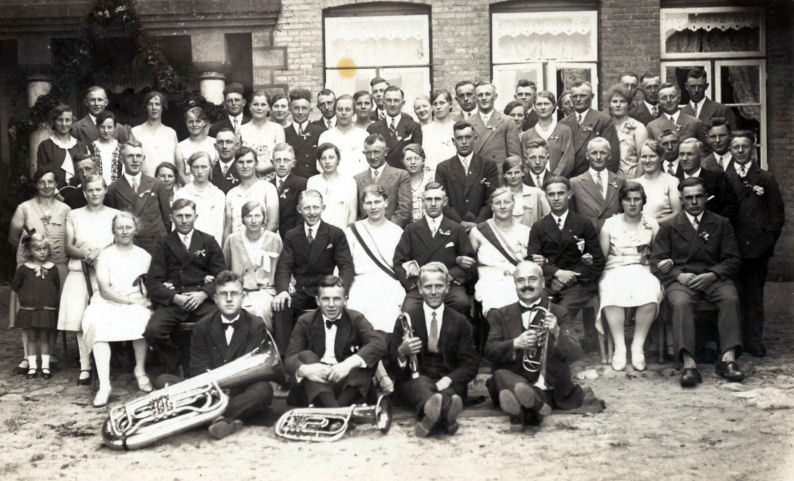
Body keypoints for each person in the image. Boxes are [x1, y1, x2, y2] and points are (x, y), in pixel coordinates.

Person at [484, 261, 605, 431]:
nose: (526, 285)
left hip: (548, 384)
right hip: (513, 376)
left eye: (532, 279)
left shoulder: (559, 312)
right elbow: (489, 351)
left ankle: (522, 411)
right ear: (515, 284)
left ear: (542, 282)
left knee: (523, 391)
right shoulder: (501, 314)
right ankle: (534, 404)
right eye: (521, 280)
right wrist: (515, 343)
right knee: (500, 376)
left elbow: (575, 352)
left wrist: (556, 331)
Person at [650, 177, 745, 387]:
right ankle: (688, 363)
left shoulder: (721, 223)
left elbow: (732, 259)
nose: (694, 202)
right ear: (681, 200)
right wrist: (678, 275)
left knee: (730, 298)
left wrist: (712, 275)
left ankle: (728, 359)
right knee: (681, 303)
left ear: (706, 197)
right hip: (683, 280)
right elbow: (656, 261)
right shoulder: (669, 226)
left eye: (698, 197)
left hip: (713, 278)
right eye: (689, 198)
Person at [183, 270, 276, 439]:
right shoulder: (202, 326)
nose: (229, 299)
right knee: (165, 382)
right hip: (210, 391)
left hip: (241, 391)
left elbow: (252, 373)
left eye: (234, 293)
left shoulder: (256, 325)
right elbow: (197, 369)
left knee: (263, 390)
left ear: (243, 297)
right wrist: (215, 392)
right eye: (223, 294)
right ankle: (229, 419)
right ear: (215, 298)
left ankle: (211, 417)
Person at [390, 262, 478, 437]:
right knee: (423, 385)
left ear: (447, 288)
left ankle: (430, 419)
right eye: (428, 286)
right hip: (417, 380)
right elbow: (392, 365)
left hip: (448, 379)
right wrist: (402, 352)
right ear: (420, 289)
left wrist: (449, 379)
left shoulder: (461, 322)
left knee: (449, 392)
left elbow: (470, 364)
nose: (433, 291)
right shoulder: (406, 319)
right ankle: (447, 417)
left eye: (439, 286)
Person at [143, 198, 226, 374]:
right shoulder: (164, 243)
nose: (184, 220)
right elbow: (153, 281)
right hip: (175, 300)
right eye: (179, 216)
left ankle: (208, 366)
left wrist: (203, 294)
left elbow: (222, 276)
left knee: (221, 325)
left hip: (202, 299)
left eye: (188, 215)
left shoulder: (208, 241)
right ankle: (177, 361)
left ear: (196, 216)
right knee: (153, 332)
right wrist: (175, 298)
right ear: (171, 218)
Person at [527, 176, 605, 353]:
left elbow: (597, 260)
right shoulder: (539, 227)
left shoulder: (584, 224)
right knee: (537, 305)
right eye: (551, 194)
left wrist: (570, 277)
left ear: (569, 194)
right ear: (546, 196)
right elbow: (532, 261)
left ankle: (560, 352)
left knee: (563, 311)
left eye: (560, 193)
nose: (556, 198)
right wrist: (556, 273)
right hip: (549, 281)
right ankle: (538, 351)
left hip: (578, 284)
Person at [82, 211, 153, 406]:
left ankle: (140, 370)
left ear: (135, 230)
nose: (124, 231)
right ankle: (104, 385)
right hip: (108, 302)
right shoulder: (105, 256)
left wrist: (143, 300)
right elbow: (105, 291)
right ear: (113, 231)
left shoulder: (144, 256)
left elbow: (150, 284)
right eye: (119, 228)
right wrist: (130, 302)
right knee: (98, 326)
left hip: (136, 301)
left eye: (128, 227)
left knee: (143, 319)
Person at [271, 190, 355, 352]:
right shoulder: (292, 235)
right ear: (299, 209)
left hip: (326, 290)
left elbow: (346, 266)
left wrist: (341, 290)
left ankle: (335, 353)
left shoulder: (335, 234)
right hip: (302, 291)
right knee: (281, 306)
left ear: (323, 208)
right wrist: (282, 291)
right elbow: (284, 266)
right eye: (307, 208)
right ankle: (285, 356)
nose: (311, 212)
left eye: (315, 207)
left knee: (340, 308)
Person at [285, 275, 387, 407]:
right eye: (326, 299)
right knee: (306, 356)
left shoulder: (356, 318)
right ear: (317, 301)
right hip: (315, 385)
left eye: (337, 299)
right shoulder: (305, 321)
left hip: (346, 386)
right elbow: (290, 359)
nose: (331, 305)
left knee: (363, 362)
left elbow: (379, 343)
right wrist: (305, 370)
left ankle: (331, 411)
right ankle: (338, 412)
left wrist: (348, 364)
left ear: (345, 300)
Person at [725, 132, 785, 357]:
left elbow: (776, 215)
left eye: (745, 146)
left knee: (754, 296)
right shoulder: (724, 177)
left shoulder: (765, 178)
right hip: (732, 247)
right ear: (730, 150)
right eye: (736, 147)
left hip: (756, 249)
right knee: (734, 296)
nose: (740, 151)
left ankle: (754, 340)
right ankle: (736, 341)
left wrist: (766, 241)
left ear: (753, 149)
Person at [9, 168, 70, 374]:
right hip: (30, 267)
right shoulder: (25, 208)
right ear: (36, 184)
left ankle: (49, 354)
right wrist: (29, 257)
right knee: (29, 311)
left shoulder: (65, 209)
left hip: (56, 265)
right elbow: (13, 237)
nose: (46, 186)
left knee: (51, 310)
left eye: (50, 182)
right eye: (42, 182)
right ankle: (28, 357)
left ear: (56, 184)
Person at [59, 174, 119, 384]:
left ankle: (106, 362)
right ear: (84, 193)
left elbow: (118, 242)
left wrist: (99, 254)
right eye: (90, 190)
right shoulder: (74, 215)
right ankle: (85, 365)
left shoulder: (115, 214)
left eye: (98, 189)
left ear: (105, 191)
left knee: (104, 316)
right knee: (80, 319)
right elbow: (68, 246)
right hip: (79, 271)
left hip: (105, 272)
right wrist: (86, 254)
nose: (94, 194)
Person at [598, 182, 663, 371]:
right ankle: (620, 348)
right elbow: (602, 257)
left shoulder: (652, 224)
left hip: (642, 269)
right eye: (628, 199)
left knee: (650, 290)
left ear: (643, 202)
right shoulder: (610, 224)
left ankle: (637, 346)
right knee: (610, 290)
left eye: (637, 199)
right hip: (615, 269)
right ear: (621, 202)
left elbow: (657, 254)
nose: (632, 204)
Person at [394, 182, 476, 316]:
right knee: (409, 309)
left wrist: (451, 276)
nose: (433, 203)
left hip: (448, 286)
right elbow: (399, 261)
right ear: (423, 201)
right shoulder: (411, 229)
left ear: (445, 201)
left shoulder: (456, 229)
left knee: (462, 303)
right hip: (421, 287)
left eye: (437, 199)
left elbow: (469, 262)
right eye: (429, 199)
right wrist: (416, 282)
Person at [345, 184, 406, 331]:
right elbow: (345, 264)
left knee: (389, 315)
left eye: (377, 202)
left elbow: (402, 265)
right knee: (357, 315)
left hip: (389, 283)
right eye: (368, 203)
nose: (373, 207)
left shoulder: (397, 232)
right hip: (360, 283)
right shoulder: (353, 231)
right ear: (363, 206)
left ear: (386, 202)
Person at [469, 187, 530, 314]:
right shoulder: (478, 231)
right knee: (496, 308)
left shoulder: (525, 231)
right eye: (497, 203)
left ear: (513, 204)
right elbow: (469, 261)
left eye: (506, 202)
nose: (502, 206)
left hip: (517, 279)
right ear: (491, 206)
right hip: (490, 281)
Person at [223, 201, 283, 327]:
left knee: (258, 310)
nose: (253, 220)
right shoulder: (233, 239)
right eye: (249, 216)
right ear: (243, 219)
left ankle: (263, 339)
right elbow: (224, 269)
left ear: (264, 218)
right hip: (240, 291)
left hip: (265, 291)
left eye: (257, 216)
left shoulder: (274, 239)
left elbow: (283, 268)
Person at [105, 140, 171, 254]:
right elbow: (113, 222)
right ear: (121, 159)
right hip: (129, 247)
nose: (135, 160)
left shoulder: (157, 185)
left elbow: (167, 220)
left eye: (138, 156)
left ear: (143, 158)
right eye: (130, 156)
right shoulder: (113, 189)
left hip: (156, 246)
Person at [11, 233, 60, 380]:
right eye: (38, 249)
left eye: (45, 248)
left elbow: (56, 287)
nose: (42, 252)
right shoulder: (23, 270)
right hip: (29, 310)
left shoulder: (53, 269)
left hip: (46, 310)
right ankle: (32, 367)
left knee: (45, 338)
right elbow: (15, 287)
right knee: (31, 338)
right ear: (29, 251)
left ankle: (45, 367)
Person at [435, 121, 499, 230]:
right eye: (459, 138)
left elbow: (491, 198)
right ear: (453, 141)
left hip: (482, 226)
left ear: (474, 139)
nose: (464, 142)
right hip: (453, 227)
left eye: (468, 137)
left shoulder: (488, 165)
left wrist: (478, 224)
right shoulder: (443, 168)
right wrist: (459, 223)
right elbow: (442, 200)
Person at [560, 80, 621, 176]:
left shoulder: (603, 120)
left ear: (592, 96)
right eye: (575, 96)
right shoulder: (563, 123)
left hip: (595, 177)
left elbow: (612, 156)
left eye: (583, 96)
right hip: (570, 178)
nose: (578, 99)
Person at [354, 134, 412, 227]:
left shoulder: (401, 175)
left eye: (376, 152)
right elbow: (355, 212)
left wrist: (387, 229)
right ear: (364, 153)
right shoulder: (357, 179)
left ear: (386, 152)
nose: (372, 157)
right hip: (366, 231)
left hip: (392, 230)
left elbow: (404, 210)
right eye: (368, 153)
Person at [570, 137, 626, 232]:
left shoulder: (620, 182)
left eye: (603, 153)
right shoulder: (575, 183)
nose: (598, 157)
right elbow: (572, 216)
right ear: (587, 156)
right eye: (594, 153)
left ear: (609, 155)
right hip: (587, 236)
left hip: (614, 234)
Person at [224, 147, 280, 240]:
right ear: (235, 165)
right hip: (237, 246)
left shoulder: (268, 188)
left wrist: (256, 245)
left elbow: (273, 223)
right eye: (241, 162)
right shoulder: (231, 194)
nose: (245, 166)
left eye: (249, 162)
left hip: (264, 245)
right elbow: (228, 228)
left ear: (256, 164)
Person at [676, 138, 738, 220]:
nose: (684, 158)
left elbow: (730, 207)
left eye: (690, 154)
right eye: (681, 154)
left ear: (701, 156)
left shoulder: (717, 178)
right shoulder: (674, 180)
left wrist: (713, 225)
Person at [469, 81, 521, 178]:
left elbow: (514, 158)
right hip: (475, 177)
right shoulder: (468, 122)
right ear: (475, 98)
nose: (484, 98)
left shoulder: (507, 121)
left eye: (488, 94)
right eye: (480, 95)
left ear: (495, 96)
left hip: (498, 177)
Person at [173, 151, 226, 245]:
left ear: (211, 168)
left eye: (204, 167)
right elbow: (176, 225)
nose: (200, 171)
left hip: (211, 246)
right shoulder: (181, 194)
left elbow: (220, 227)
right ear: (191, 169)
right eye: (196, 167)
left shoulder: (218, 195)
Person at [520, 91, 575, 178]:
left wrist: (553, 178)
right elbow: (525, 161)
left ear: (554, 106)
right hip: (536, 182)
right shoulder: (527, 135)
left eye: (546, 104)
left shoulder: (564, 131)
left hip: (559, 181)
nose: (542, 107)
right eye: (539, 104)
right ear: (534, 107)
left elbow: (568, 159)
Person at [367, 86, 423, 169]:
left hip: (404, 173)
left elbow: (416, 156)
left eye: (396, 100)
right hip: (382, 173)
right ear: (383, 102)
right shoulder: (373, 128)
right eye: (389, 100)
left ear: (403, 103)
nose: (392, 104)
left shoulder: (414, 127)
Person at [306, 143, 358, 229]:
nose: (327, 162)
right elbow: (309, 211)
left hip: (342, 232)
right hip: (319, 232)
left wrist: (348, 233)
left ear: (338, 159)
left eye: (331, 157)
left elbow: (352, 213)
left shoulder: (349, 181)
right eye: (323, 158)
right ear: (319, 161)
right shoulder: (312, 181)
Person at [36, 104, 92, 184]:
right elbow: (42, 174)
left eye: (67, 120)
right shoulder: (45, 146)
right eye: (60, 120)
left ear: (72, 122)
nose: (64, 124)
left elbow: (87, 172)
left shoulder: (81, 145)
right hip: (54, 189)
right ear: (54, 121)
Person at [317, 95, 368, 177]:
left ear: (354, 112)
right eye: (340, 109)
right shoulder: (325, 136)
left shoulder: (363, 135)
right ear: (335, 111)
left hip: (358, 181)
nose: (343, 113)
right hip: (333, 181)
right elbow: (320, 165)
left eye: (347, 109)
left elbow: (367, 164)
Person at [130, 91, 178, 176]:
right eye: (150, 104)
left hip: (166, 180)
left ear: (162, 107)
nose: (154, 107)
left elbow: (176, 162)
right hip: (144, 180)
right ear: (146, 107)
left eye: (157, 104)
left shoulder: (171, 133)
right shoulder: (135, 132)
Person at [239, 89, 286, 176]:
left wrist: (260, 169)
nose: (259, 108)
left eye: (263, 105)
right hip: (248, 176)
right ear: (250, 107)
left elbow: (280, 157)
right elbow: (236, 156)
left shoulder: (277, 129)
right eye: (255, 104)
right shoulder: (241, 130)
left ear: (269, 107)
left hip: (272, 177)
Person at [635, 140, 682, 224]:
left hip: (662, 229)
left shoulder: (672, 182)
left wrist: (653, 223)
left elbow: (677, 213)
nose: (647, 160)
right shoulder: (635, 183)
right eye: (644, 156)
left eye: (652, 156)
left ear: (661, 157)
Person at [607, 84, 648, 177]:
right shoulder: (605, 125)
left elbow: (643, 158)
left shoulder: (638, 127)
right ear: (609, 104)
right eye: (614, 101)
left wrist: (636, 181)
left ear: (629, 104)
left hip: (630, 178)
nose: (618, 105)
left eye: (622, 101)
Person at [269, 143, 307, 238]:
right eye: (278, 160)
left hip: (292, 237)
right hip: (270, 236)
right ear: (272, 163)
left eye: (286, 160)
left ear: (293, 163)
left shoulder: (301, 184)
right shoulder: (267, 186)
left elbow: (301, 216)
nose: (282, 164)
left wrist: (293, 238)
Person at [285, 88, 324, 179]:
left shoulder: (320, 131)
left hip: (312, 180)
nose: (300, 112)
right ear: (290, 110)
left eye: (304, 108)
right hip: (291, 182)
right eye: (296, 108)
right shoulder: (284, 132)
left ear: (310, 110)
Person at [174, 106, 218, 186]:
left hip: (212, 189)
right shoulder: (180, 147)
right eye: (190, 122)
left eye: (198, 121)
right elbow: (181, 174)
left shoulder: (215, 143)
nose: (194, 125)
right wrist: (193, 190)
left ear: (204, 122)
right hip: (188, 189)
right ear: (186, 123)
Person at [502, 156, 549, 228]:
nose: (513, 176)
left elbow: (548, 218)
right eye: (509, 173)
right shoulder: (501, 196)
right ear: (504, 175)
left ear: (523, 173)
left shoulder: (537, 193)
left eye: (517, 172)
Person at [422, 89, 457, 177]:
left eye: (442, 103)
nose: (438, 107)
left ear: (450, 105)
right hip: (428, 176)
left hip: (451, 176)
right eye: (435, 104)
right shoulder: (425, 130)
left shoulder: (456, 128)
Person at [91, 110, 123, 185]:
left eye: (109, 127)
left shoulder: (121, 148)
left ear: (115, 128)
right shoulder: (91, 147)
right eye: (102, 127)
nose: (106, 130)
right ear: (97, 127)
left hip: (117, 188)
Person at [402, 144, 432, 223]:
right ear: (403, 161)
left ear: (423, 160)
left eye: (416, 158)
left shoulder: (430, 180)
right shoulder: (400, 182)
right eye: (408, 159)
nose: (413, 162)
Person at [210, 128, 242, 194]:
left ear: (236, 146)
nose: (224, 146)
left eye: (229, 142)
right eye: (220, 142)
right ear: (215, 146)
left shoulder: (243, 169)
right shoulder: (209, 170)